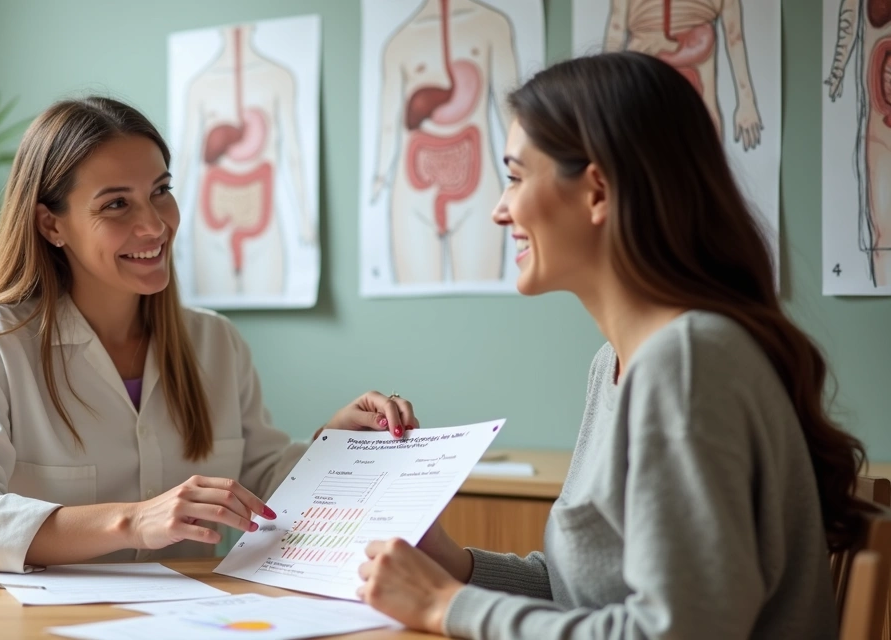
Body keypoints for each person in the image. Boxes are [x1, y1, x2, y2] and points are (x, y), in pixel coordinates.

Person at [356, 51, 869, 638]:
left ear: (598, 191)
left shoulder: (689, 363)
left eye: (517, 177)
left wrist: (447, 607)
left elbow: (673, 630)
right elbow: (587, 592)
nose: (500, 210)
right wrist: (451, 566)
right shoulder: (620, 364)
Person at [0, 96, 418, 573]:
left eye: (160, 192)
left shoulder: (217, 344)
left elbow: (263, 486)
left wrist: (338, 446)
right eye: (116, 205)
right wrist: (133, 521)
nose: (154, 225)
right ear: (51, 225)